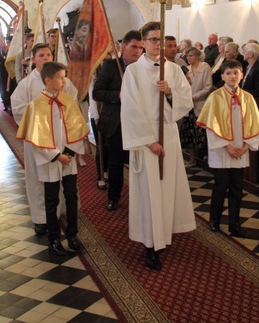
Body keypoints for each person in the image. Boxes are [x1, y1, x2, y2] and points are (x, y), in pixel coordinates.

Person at [120, 21, 196, 271]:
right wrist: (149, 140)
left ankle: (165, 234)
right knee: (150, 191)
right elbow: (130, 109)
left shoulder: (172, 69)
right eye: (153, 40)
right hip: (146, 138)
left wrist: (171, 92)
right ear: (143, 42)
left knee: (167, 187)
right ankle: (150, 244)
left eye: (160, 40)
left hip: (169, 132)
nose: (157, 45)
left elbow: (186, 100)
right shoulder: (133, 71)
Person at [16, 61, 88, 256]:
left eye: (64, 77)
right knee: (51, 198)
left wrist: (70, 153)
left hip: (69, 158)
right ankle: (54, 239)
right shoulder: (36, 106)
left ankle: (73, 235)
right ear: (48, 80)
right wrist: (56, 155)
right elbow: (36, 137)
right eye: (60, 77)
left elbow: (77, 128)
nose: (64, 81)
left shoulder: (68, 101)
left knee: (71, 197)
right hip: (51, 160)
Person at [11, 43, 78, 234]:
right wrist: (42, 115)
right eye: (41, 55)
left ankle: (62, 211)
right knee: (39, 181)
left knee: (64, 179)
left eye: (49, 54)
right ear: (33, 59)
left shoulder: (64, 81)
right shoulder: (27, 84)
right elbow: (18, 109)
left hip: (61, 138)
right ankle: (41, 218)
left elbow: (72, 100)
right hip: (38, 141)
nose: (46, 58)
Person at [198, 60, 259, 237]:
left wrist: (245, 146)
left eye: (236, 73)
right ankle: (214, 221)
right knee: (220, 186)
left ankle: (235, 224)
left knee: (237, 188)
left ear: (241, 75)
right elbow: (211, 125)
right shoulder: (215, 97)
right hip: (222, 149)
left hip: (241, 148)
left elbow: (255, 124)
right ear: (223, 76)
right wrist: (227, 146)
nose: (233, 76)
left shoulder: (248, 98)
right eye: (229, 73)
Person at [93, 30, 143, 212]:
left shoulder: (144, 67)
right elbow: (97, 92)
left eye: (140, 48)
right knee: (115, 164)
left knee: (138, 162)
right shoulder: (110, 66)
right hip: (117, 123)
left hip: (139, 123)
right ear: (123, 47)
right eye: (133, 47)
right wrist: (119, 95)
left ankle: (140, 198)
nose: (137, 51)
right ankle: (113, 197)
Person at [180, 46, 212, 164]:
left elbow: (208, 86)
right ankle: (192, 159)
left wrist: (194, 97)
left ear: (197, 56)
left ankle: (207, 158)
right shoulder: (187, 69)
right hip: (189, 106)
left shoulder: (204, 67)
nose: (188, 58)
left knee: (202, 133)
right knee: (190, 133)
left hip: (200, 104)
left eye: (191, 55)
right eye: (187, 56)